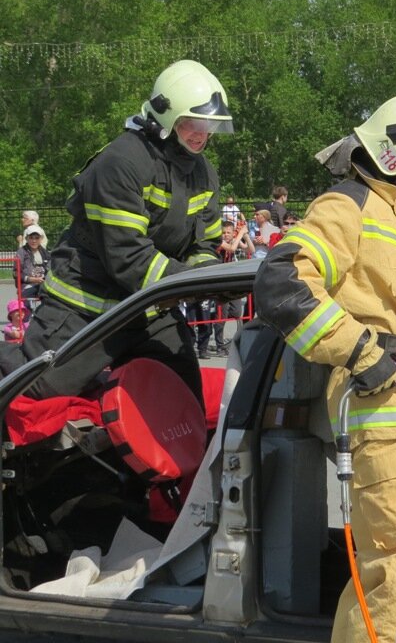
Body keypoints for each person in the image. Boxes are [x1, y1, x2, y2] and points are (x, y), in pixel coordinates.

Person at [253, 93, 396, 643]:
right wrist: (361, 350)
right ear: (394, 153)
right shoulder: (345, 206)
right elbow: (281, 284)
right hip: (393, 421)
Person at [0, 59, 231, 399]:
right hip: (86, 307)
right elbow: (129, 258)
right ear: (166, 117)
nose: (202, 134)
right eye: (194, 123)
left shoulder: (204, 173)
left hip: (148, 309)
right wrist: (193, 285)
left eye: (210, 125)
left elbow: (203, 246)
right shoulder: (122, 162)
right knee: (37, 391)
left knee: (181, 396)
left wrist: (216, 280)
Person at [212, 217, 254, 355]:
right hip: (219, 281)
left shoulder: (234, 239)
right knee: (221, 315)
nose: (226, 235)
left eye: (229, 232)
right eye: (224, 232)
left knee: (236, 312)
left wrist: (245, 234)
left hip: (230, 281)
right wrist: (240, 234)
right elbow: (231, 248)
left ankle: (214, 317)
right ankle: (219, 345)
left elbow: (251, 249)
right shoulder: (221, 242)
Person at [15, 225, 49, 301]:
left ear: (41, 239)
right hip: (27, 285)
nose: (34, 241)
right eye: (31, 238)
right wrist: (30, 279)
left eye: (37, 238)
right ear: (26, 238)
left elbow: (51, 269)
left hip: (43, 285)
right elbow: (16, 273)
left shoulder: (45, 253)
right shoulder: (21, 252)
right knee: (26, 299)